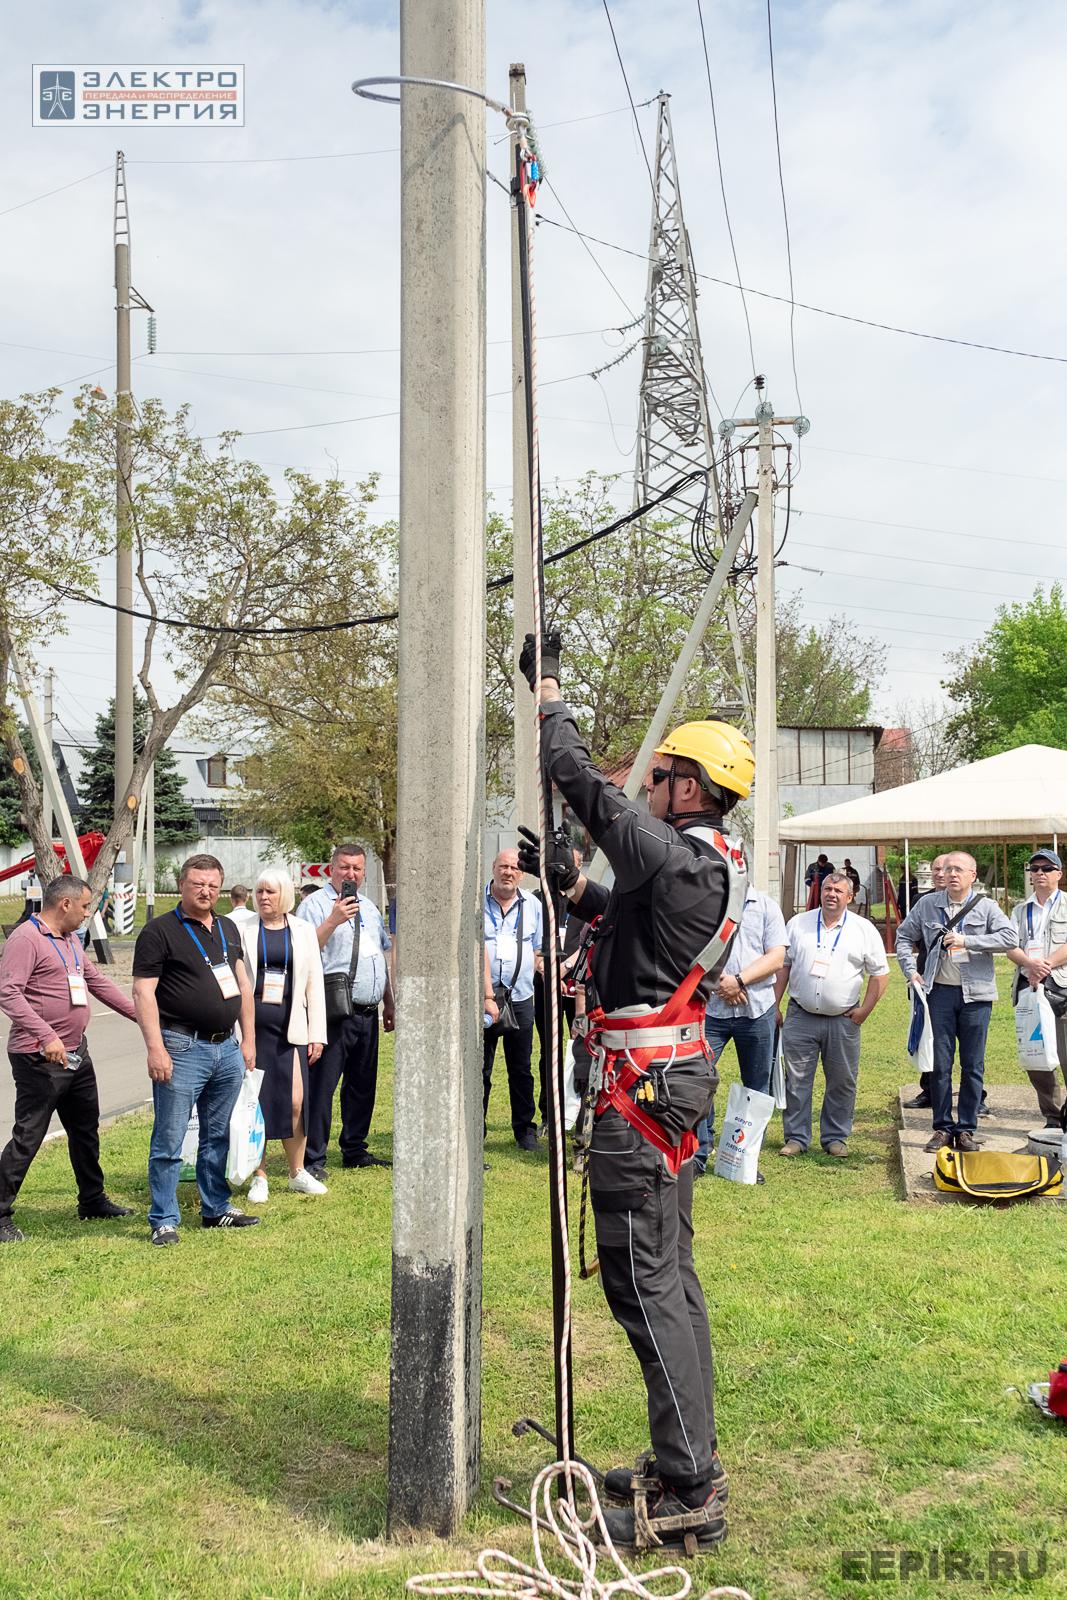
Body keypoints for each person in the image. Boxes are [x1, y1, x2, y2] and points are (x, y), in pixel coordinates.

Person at [518, 627, 751, 1555]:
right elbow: (626, 929)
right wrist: (572, 888)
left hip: (643, 1089)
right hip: (659, 1083)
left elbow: (582, 781)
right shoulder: (695, 867)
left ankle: (687, 1488)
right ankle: (681, 1459)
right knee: (668, 1281)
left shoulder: (681, 855)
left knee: (647, 1286)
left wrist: (547, 690)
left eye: (658, 776)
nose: (646, 788)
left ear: (687, 788)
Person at [0, 875, 137, 1242]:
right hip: (39, 1058)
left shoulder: (71, 939)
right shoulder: (26, 938)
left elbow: (96, 981)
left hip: (77, 1053)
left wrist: (141, 1015)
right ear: (65, 904)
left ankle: (91, 1200)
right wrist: (46, 1035)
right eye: (85, 906)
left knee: (85, 1129)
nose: (87, 913)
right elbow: (9, 993)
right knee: (29, 1135)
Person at [132, 853, 259, 1245]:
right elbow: (142, 992)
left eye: (213, 886)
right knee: (169, 1140)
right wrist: (156, 1048)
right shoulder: (158, 932)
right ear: (182, 885)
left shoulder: (228, 929)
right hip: (182, 1047)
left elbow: (243, 987)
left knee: (218, 1134)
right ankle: (164, 1218)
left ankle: (215, 1208)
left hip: (227, 1050)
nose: (206, 891)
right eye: (198, 884)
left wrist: (249, 1039)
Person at [895, 851, 1017, 1153]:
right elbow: (902, 937)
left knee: (973, 1064)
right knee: (940, 1063)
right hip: (939, 993)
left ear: (972, 875)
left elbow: (1010, 938)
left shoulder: (986, 907)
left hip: (976, 996)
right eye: (947, 869)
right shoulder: (927, 905)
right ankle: (941, 1128)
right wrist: (912, 973)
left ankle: (965, 1129)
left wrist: (969, 941)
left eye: (958, 870)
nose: (951, 874)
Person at [774, 872, 889, 1159]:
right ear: (819, 891)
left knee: (842, 1080)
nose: (831, 894)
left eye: (838, 890)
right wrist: (775, 1005)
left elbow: (880, 974)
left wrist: (864, 1012)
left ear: (850, 897)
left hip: (843, 1019)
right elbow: (783, 966)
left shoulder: (863, 929)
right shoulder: (798, 924)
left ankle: (835, 1137)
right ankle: (796, 1137)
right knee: (797, 1079)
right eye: (827, 888)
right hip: (800, 1016)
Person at [297, 842, 394, 1177]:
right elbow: (305, 950)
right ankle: (313, 1157)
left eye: (357, 868)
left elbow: (380, 955)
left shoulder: (369, 907)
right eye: (344, 867)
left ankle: (355, 1148)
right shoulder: (314, 905)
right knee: (323, 1086)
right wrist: (333, 920)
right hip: (333, 1009)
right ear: (331, 868)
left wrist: (389, 1001)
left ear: (365, 872)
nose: (350, 873)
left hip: (368, 1009)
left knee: (362, 1084)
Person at [240, 869, 329, 1201]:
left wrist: (317, 1033)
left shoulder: (303, 931)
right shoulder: (243, 929)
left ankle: (296, 1171)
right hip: (252, 1027)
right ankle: (259, 1175)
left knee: (295, 1101)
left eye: (271, 892)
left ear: (285, 896)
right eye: (260, 891)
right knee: (257, 1102)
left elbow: (314, 984)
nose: (264, 897)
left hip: (292, 1027)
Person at [693, 885, 788, 1174]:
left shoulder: (766, 906)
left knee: (756, 1089)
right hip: (710, 1009)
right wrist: (721, 980)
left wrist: (739, 980)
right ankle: (698, 1155)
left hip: (757, 1010)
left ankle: (743, 1161)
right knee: (696, 1080)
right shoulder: (703, 901)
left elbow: (776, 957)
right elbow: (690, 946)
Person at [483, 847, 543, 1152]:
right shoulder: (476, 902)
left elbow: (539, 947)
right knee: (481, 1069)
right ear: (493, 868)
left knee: (521, 1069)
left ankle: (524, 1130)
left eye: (514, 868)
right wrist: (485, 994)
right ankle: (474, 1129)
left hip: (520, 997)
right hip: (483, 999)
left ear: (521, 874)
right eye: (503, 866)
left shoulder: (532, 905)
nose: (509, 872)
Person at [1006, 848, 1067, 1126]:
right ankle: (1053, 1115)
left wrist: (1046, 965)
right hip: (1028, 987)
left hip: (1061, 985)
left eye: (1046, 868)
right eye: (1035, 869)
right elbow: (1009, 945)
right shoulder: (1020, 909)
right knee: (1036, 1055)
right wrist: (1030, 965)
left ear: (1059, 874)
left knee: (1065, 1053)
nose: (1039, 873)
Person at [533, 846, 587, 1137]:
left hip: (578, 987)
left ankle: (578, 1115)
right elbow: (530, 938)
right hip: (547, 986)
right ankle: (548, 1115)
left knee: (581, 1050)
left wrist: (566, 966)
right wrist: (541, 964)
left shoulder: (586, 901)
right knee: (549, 1052)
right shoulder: (537, 900)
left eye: (572, 866)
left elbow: (591, 937)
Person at [903, 852, 948, 1111]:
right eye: (937, 869)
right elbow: (910, 935)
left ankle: (975, 1096)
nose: (941, 874)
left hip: (961, 981)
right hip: (925, 976)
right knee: (927, 1035)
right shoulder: (922, 901)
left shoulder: (972, 902)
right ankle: (929, 1090)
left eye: (947, 869)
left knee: (966, 1043)